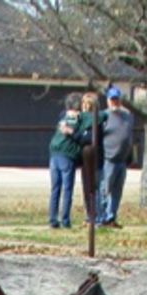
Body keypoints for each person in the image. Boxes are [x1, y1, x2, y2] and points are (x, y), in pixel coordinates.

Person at [96, 86, 135, 227]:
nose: (114, 102)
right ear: (107, 100)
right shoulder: (103, 116)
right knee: (104, 189)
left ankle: (111, 217)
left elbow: (129, 136)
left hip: (122, 159)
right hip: (108, 158)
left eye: (116, 99)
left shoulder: (128, 116)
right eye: (112, 99)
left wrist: (130, 155)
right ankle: (102, 217)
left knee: (117, 191)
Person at [48, 92, 87, 229]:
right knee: (67, 189)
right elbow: (80, 136)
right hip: (67, 155)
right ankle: (65, 219)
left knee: (55, 188)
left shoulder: (62, 117)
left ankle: (52, 219)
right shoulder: (77, 119)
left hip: (54, 153)